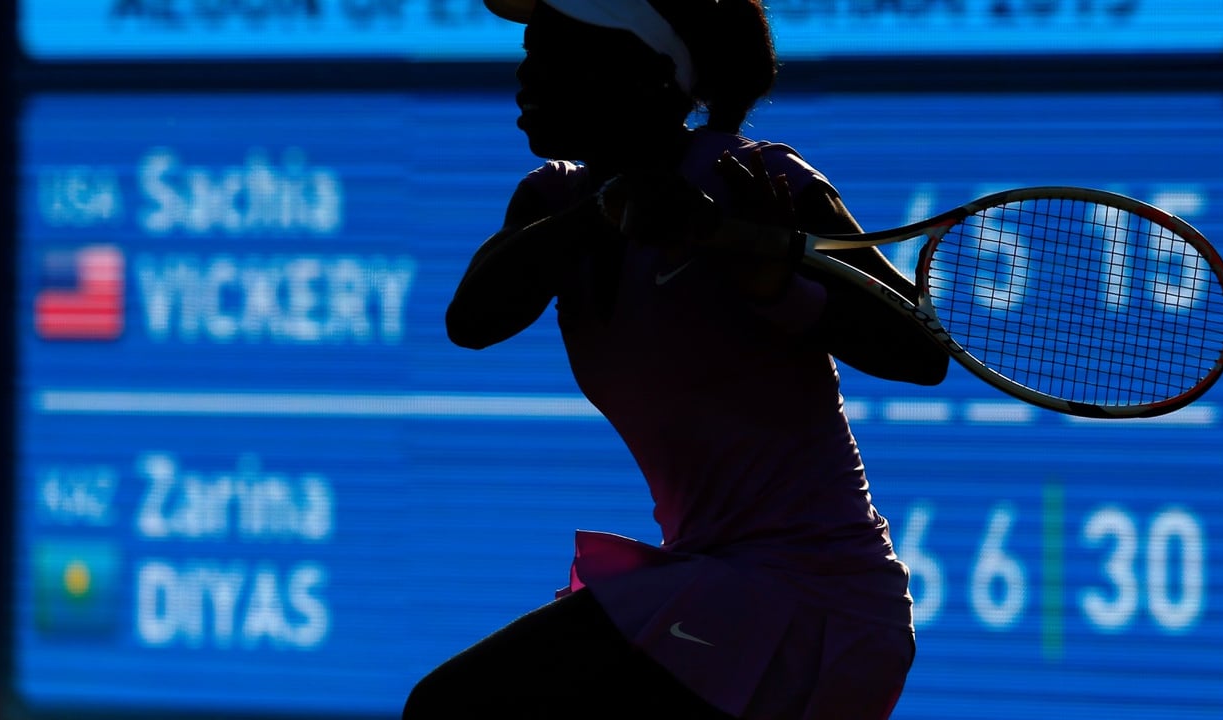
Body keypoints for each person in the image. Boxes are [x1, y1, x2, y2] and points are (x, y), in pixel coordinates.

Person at [403, 0, 949, 718]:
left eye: (554, 54)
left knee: (453, 708)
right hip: (724, 594)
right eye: (528, 51)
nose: (525, 75)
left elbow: (922, 350)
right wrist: (604, 212)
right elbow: (473, 320)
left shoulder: (759, 181)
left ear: (647, 73)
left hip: (818, 603)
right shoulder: (552, 201)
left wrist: (775, 283)